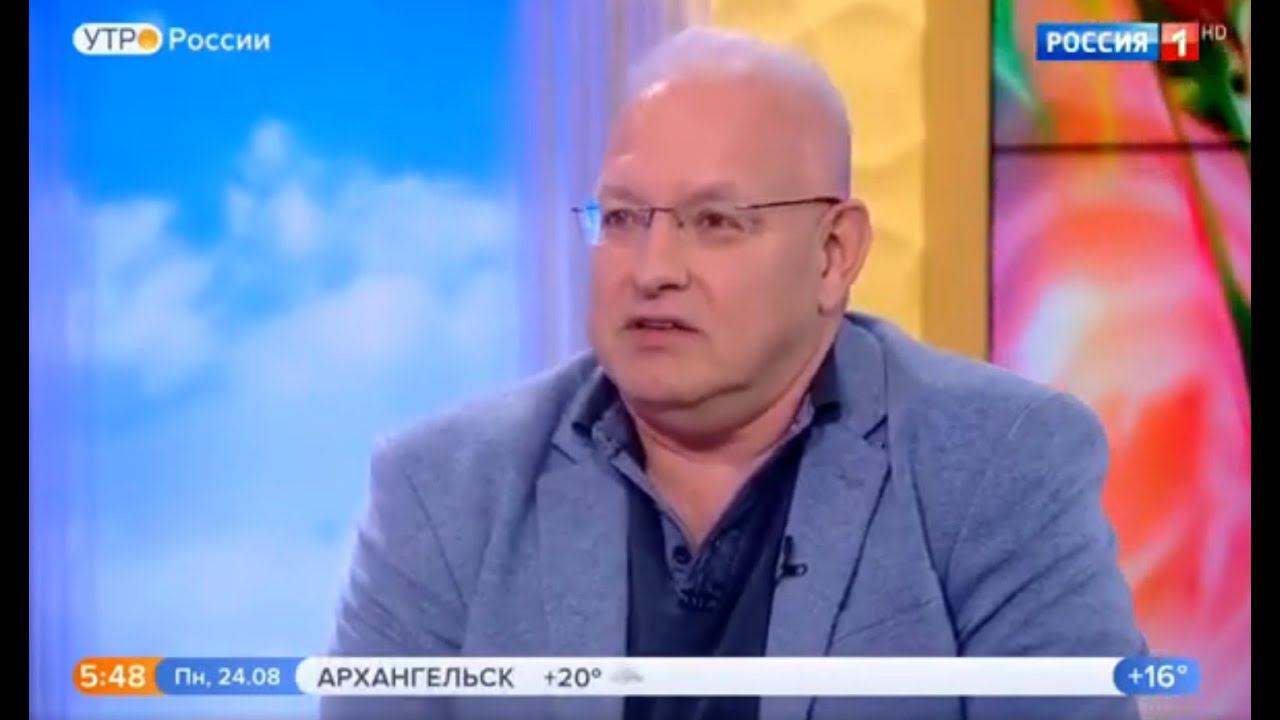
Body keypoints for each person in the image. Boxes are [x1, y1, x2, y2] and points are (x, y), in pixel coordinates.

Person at [324, 26, 1145, 720]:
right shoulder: (445, 489)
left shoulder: (998, 464)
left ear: (834, 254)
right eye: (623, 218)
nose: (653, 269)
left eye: (715, 222)